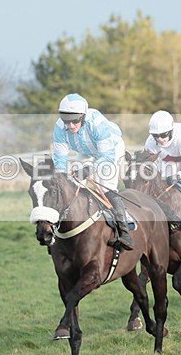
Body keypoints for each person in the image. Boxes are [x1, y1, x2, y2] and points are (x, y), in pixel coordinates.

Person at [53, 93, 134, 250]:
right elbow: (60, 160)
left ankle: (125, 232)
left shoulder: (96, 122)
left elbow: (107, 157)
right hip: (87, 151)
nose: (70, 125)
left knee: (105, 186)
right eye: (66, 121)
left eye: (75, 120)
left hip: (111, 150)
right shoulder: (59, 127)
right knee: (70, 185)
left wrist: (89, 169)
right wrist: (61, 178)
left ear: (83, 116)